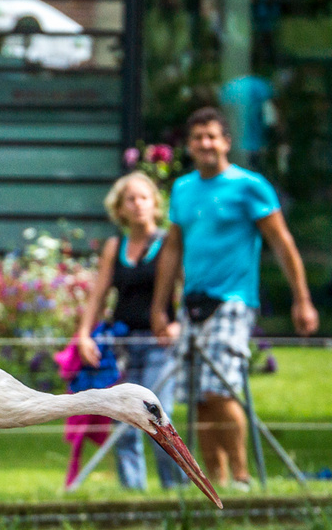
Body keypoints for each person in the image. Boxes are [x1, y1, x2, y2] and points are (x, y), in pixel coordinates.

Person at [151, 106, 318, 489]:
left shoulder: (250, 186)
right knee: (197, 397)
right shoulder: (183, 188)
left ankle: (242, 477)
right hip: (191, 301)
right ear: (190, 146)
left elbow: (282, 242)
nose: (205, 143)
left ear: (226, 141)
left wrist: (302, 300)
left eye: (212, 136)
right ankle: (217, 481)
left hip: (233, 299)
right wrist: (160, 306)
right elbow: (173, 249)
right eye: (198, 137)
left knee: (220, 389)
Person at [76, 172, 187, 492]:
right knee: (124, 425)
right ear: (120, 208)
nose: (138, 205)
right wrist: (85, 334)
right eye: (131, 199)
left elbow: (184, 288)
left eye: (144, 198)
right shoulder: (115, 246)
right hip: (122, 346)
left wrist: (178, 324)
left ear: (155, 204)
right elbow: (98, 296)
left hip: (159, 344)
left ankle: (176, 494)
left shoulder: (169, 242)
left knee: (158, 421)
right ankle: (133, 497)